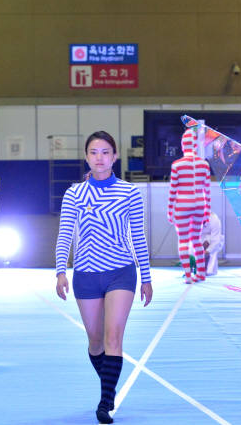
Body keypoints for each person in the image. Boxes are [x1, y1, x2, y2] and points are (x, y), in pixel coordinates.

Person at [55, 131, 152, 424]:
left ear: (115, 157)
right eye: (94, 152)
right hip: (85, 275)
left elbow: (138, 236)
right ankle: (108, 381)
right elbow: (65, 235)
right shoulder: (74, 193)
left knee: (113, 337)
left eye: (106, 152)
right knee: (96, 342)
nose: (100, 157)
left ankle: (104, 402)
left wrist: (145, 277)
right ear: (86, 156)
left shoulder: (129, 192)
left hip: (121, 272)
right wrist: (61, 270)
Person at [167, 129, 211, 284]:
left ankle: (187, 275)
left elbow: (173, 190)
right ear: (195, 145)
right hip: (199, 204)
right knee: (196, 240)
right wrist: (207, 212)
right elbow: (207, 191)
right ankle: (201, 273)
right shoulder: (204, 164)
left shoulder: (177, 165)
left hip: (182, 205)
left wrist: (170, 211)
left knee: (183, 240)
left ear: (182, 145)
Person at [201, 211, 224, 276]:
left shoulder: (214, 219)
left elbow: (216, 239)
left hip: (213, 239)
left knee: (210, 271)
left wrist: (208, 250)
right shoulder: (192, 219)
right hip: (199, 238)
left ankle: (208, 269)